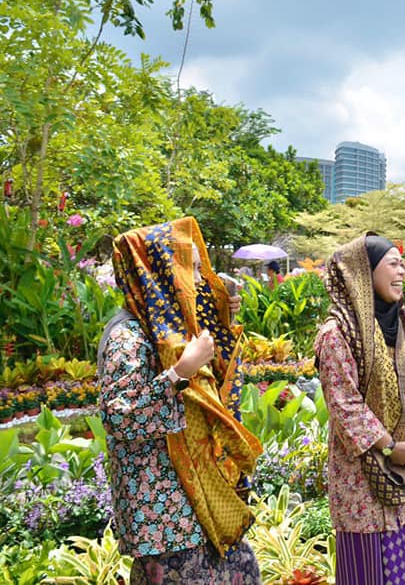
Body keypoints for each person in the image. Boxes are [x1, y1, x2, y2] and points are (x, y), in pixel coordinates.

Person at [97, 217, 262, 584]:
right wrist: (181, 371)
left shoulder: (168, 327)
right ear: (159, 273)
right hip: (164, 513)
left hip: (192, 503)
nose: (201, 280)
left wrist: (222, 316)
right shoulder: (129, 335)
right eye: (193, 269)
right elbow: (120, 417)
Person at [314, 234, 405, 585]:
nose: (402, 271)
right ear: (363, 273)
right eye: (393, 264)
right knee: (368, 572)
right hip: (362, 482)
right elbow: (345, 405)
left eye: (403, 264)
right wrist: (389, 448)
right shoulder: (338, 333)